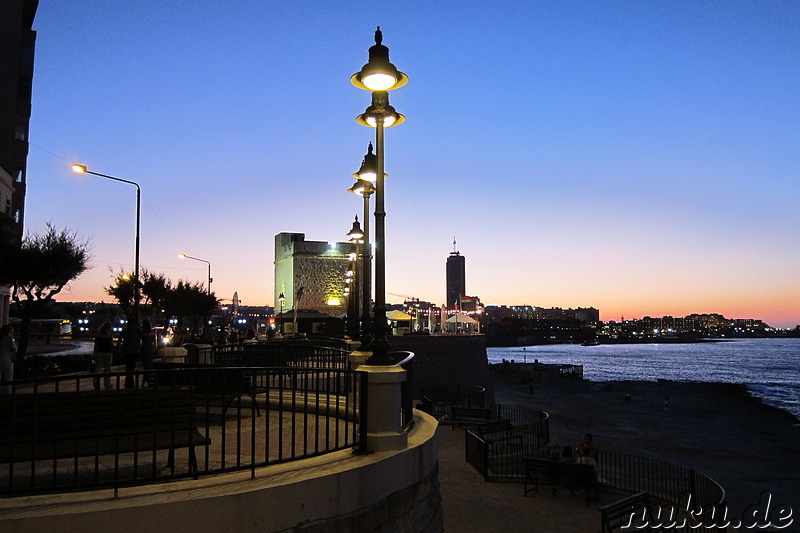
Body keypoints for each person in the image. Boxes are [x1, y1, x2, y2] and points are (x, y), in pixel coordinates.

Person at [120, 320, 143, 388]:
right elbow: (143, 336)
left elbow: (119, 339)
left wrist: (119, 349)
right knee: (132, 366)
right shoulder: (138, 330)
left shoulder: (125, 330)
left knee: (128, 366)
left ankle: (128, 382)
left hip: (126, 351)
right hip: (135, 351)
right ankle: (130, 381)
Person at [93, 321, 114, 390]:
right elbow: (111, 345)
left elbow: (96, 345)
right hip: (108, 352)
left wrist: (94, 353)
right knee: (107, 369)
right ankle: (107, 383)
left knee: (98, 368)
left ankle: (96, 383)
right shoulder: (109, 335)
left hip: (99, 352)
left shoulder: (98, 335)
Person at [0, 324, 17, 394]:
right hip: (7, 362)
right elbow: (14, 349)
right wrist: (12, 338)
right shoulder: (9, 339)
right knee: (9, 379)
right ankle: (8, 393)